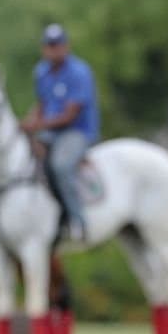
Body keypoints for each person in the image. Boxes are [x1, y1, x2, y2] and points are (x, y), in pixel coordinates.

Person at [21, 24, 100, 242]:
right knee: (24, 159)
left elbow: (70, 115)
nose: (53, 50)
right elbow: (42, 104)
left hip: (77, 131)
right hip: (50, 131)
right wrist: (28, 121)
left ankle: (78, 220)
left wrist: (37, 125)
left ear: (66, 46)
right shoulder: (41, 71)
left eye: (57, 45)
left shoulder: (79, 72)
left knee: (61, 166)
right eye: (49, 46)